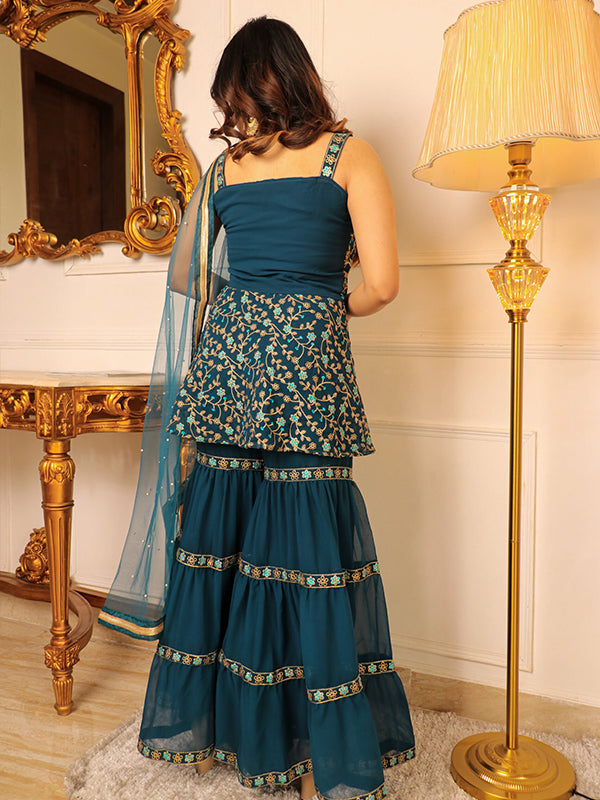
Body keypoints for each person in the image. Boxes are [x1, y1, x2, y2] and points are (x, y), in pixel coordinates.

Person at [100, 16, 414, 800]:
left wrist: (252, 299)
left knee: (227, 545)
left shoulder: (224, 170)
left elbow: (186, 280)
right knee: (309, 556)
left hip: (230, 367)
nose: (234, 116)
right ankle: (316, 755)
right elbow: (381, 284)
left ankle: (231, 735)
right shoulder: (350, 156)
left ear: (249, 91)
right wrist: (317, 303)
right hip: (308, 369)